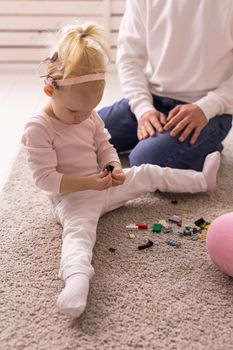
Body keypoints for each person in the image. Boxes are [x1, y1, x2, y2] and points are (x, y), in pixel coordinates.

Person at [21, 21, 220, 319]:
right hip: (73, 196)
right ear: (50, 90)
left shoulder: (88, 116)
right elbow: (46, 180)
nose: (84, 118)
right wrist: (90, 183)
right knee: (79, 236)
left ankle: (200, 181)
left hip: (103, 182)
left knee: (147, 172)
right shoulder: (38, 127)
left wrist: (112, 165)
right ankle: (76, 282)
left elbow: (104, 145)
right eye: (76, 112)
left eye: (91, 110)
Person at [98, 0, 233, 171]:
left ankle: (205, 144)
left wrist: (208, 107)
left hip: (208, 110)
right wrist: (143, 109)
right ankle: (160, 142)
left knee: (145, 160)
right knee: (78, 134)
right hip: (154, 101)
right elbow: (129, 59)